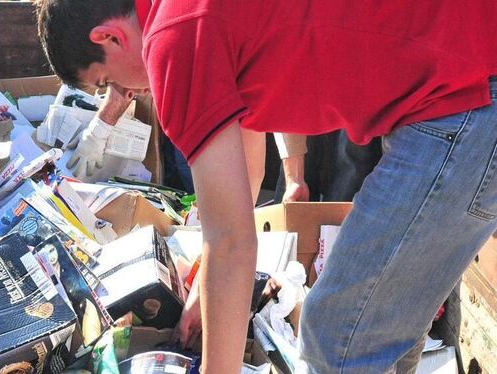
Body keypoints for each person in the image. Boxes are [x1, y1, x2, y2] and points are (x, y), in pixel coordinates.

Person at [36, 1, 497, 372]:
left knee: (338, 333)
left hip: (464, 99)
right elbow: (248, 179)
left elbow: (233, 241)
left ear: (109, 37)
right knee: (379, 321)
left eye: (108, 81)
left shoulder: (171, 41)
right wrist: (204, 289)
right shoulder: (192, 17)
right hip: (459, 87)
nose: (126, 94)